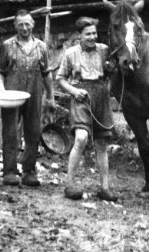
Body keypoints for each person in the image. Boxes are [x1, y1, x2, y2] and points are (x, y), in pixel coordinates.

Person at [56, 17, 118, 201]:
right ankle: (70, 184)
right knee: (81, 138)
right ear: (79, 35)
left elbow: (113, 69)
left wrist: (110, 67)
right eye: (88, 34)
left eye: (94, 33)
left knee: (101, 144)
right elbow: (60, 79)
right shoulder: (71, 54)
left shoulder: (104, 50)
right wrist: (74, 91)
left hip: (101, 98)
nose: (92, 37)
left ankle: (105, 188)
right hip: (81, 98)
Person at [0, 10, 56, 187]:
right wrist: (2, 88)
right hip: (12, 93)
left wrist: (50, 96)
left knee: (33, 131)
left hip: (35, 91)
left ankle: (29, 171)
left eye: (27, 23)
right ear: (15, 26)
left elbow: (47, 73)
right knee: (11, 131)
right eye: (20, 24)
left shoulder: (41, 47)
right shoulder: (7, 45)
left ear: (33, 24)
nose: (24, 27)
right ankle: (10, 171)